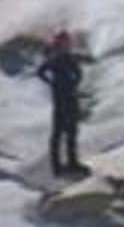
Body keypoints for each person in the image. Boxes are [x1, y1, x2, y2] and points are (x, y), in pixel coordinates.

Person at [37, 31, 87, 177]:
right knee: (58, 132)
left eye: (67, 42)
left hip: (70, 97)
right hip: (60, 99)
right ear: (59, 43)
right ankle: (57, 166)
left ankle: (72, 162)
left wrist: (75, 82)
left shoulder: (68, 57)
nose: (67, 44)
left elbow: (79, 73)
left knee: (72, 131)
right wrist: (53, 83)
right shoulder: (55, 58)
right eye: (64, 42)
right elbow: (40, 72)